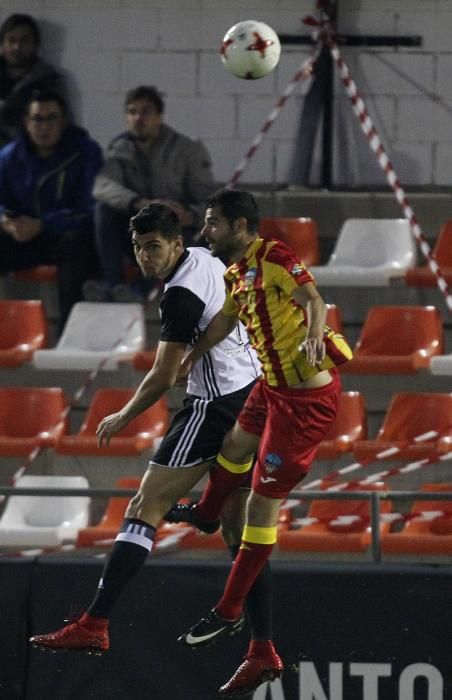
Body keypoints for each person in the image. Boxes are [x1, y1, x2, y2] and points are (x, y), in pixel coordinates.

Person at [29, 203, 274, 672]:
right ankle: (261, 648)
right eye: (139, 248)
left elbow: (163, 377)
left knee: (144, 507)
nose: (146, 257)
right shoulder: (205, 257)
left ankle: (95, 624)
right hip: (252, 396)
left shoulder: (179, 295)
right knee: (238, 530)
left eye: (154, 247)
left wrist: (123, 414)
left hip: (214, 406)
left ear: (176, 245)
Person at [165, 188, 353, 696]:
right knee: (234, 444)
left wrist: (316, 335)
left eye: (213, 224)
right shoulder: (237, 272)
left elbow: (314, 298)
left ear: (241, 226)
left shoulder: (274, 257)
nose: (206, 232)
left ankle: (228, 612)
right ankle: (206, 512)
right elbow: (227, 319)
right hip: (272, 387)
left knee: (260, 512)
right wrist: (192, 355)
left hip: (304, 406)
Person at [83, 84, 216, 303]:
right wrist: (141, 203)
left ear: (159, 117)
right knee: (102, 210)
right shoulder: (121, 148)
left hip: (177, 233)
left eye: (145, 112)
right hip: (138, 231)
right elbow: (103, 187)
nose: (138, 118)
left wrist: (190, 214)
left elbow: (211, 201)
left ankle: (137, 291)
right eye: (132, 112)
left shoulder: (186, 150)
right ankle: (113, 284)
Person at [0, 89, 102, 332]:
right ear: (26, 122)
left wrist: (44, 224)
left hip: (65, 238)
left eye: (51, 118)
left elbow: (89, 210)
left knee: (75, 243)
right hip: (23, 238)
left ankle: (69, 331)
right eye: (37, 119)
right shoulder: (9, 157)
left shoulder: (85, 153)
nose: (44, 127)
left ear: (64, 121)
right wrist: (5, 221)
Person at [0, 13, 67, 146]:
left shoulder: (49, 80)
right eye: (11, 40)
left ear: (36, 45)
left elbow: (60, 125)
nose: (17, 47)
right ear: (2, 44)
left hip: (28, 157)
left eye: (24, 40)